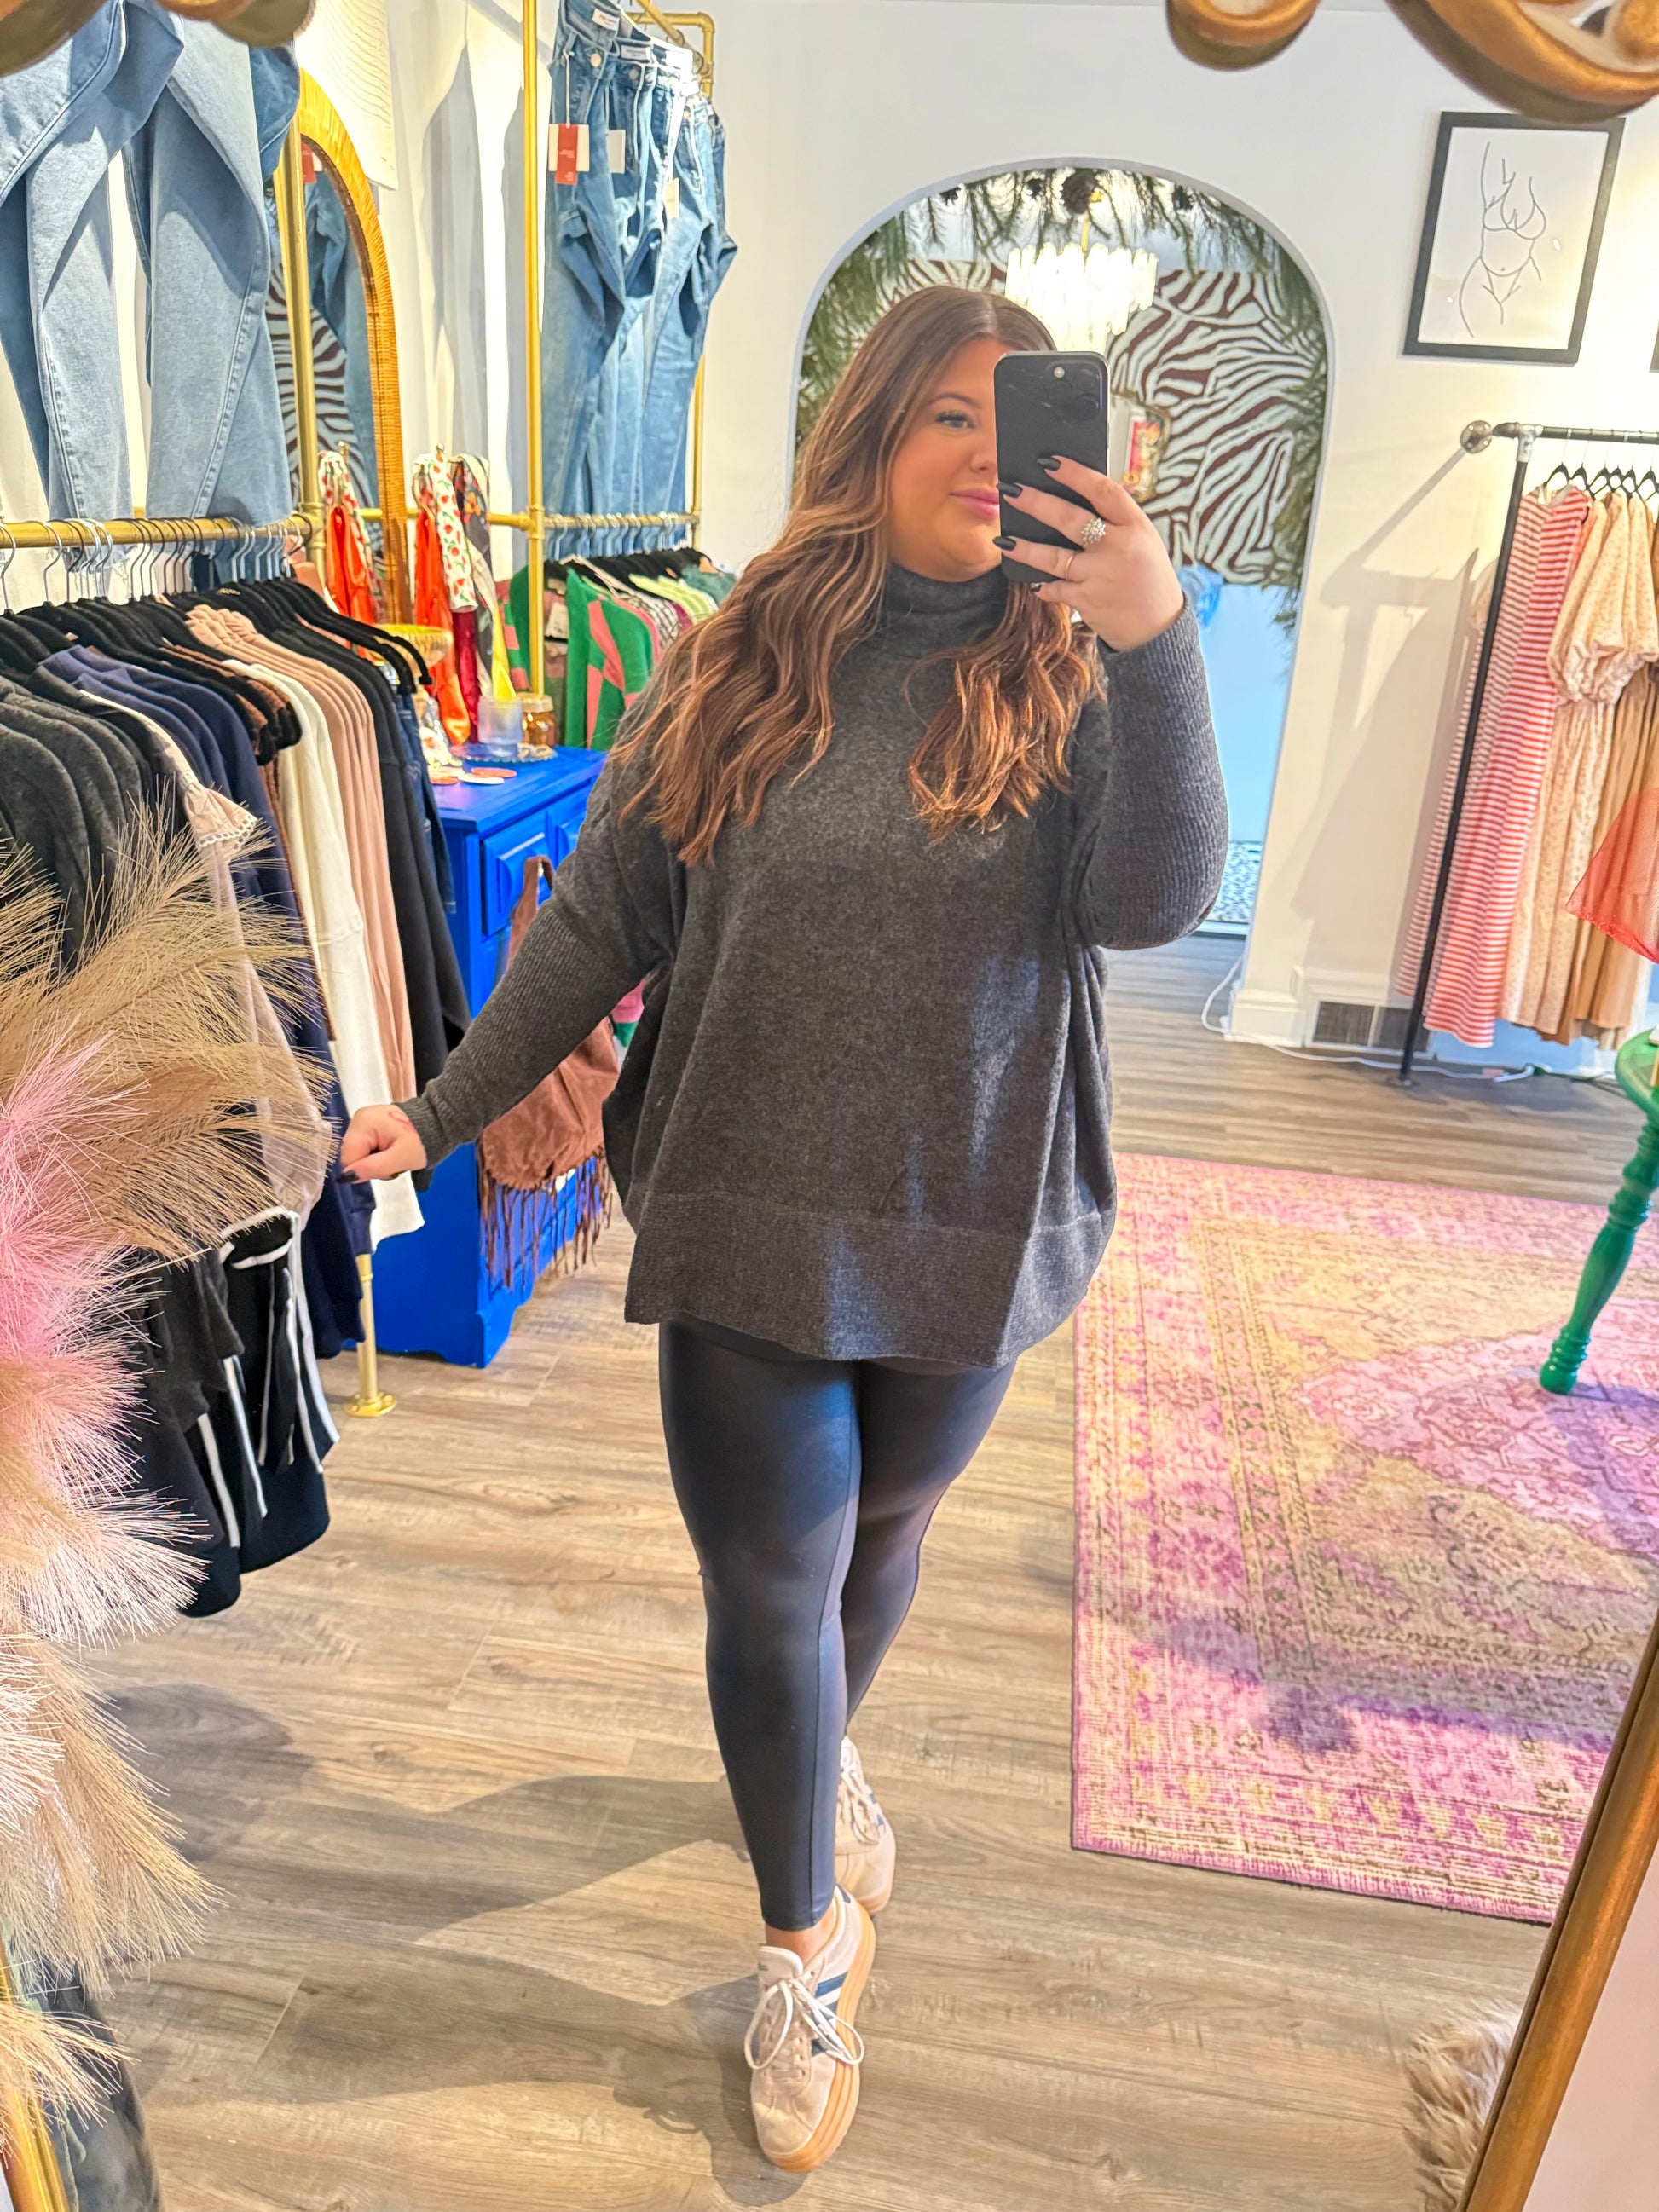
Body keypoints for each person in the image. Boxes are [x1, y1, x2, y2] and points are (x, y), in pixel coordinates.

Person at [342, 285, 1227, 2172]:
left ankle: (817, 1766)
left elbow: (1153, 904)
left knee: (876, 1543)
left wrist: (1154, 637)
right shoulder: (736, 656)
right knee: (769, 1580)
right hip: (743, 1187)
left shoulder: (1080, 671)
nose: (986, 457)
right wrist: (447, 1101)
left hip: (972, 1203)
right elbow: (602, 911)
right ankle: (802, 1941)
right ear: (872, 438)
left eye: (1018, 422)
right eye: (947, 418)